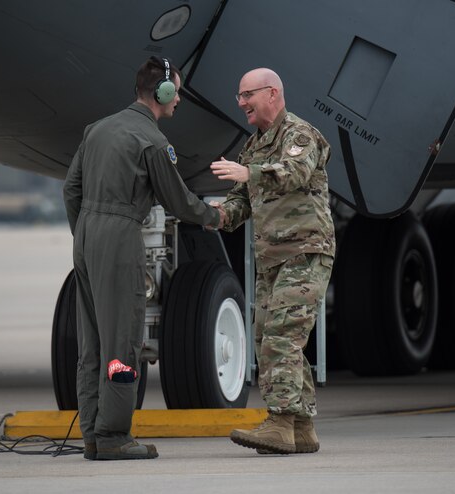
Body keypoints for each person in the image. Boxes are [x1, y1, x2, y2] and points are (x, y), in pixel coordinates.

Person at [63, 56, 224, 461]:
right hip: (119, 235)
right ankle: (114, 436)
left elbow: (70, 189)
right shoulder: (152, 142)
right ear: (163, 93)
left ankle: (93, 435)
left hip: (86, 233)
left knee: (93, 341)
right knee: (123, 341)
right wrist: (215, 216)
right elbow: (179, 201)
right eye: (177, 93)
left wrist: (87, 234)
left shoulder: (96, 130)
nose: (179, 101)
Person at [210, 68, 335, 455]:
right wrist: (215, 215)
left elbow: (293, 174)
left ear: (273, 94)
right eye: (240, 96)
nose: (242, 102)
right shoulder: (254, 145)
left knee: (282, 336)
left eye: (248, 94)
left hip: (305, 252)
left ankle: (279, 423)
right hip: (271, 259)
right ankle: (301, 427)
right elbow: (242, 200)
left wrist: (249, 173)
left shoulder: (299, 134)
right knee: (270, 338)